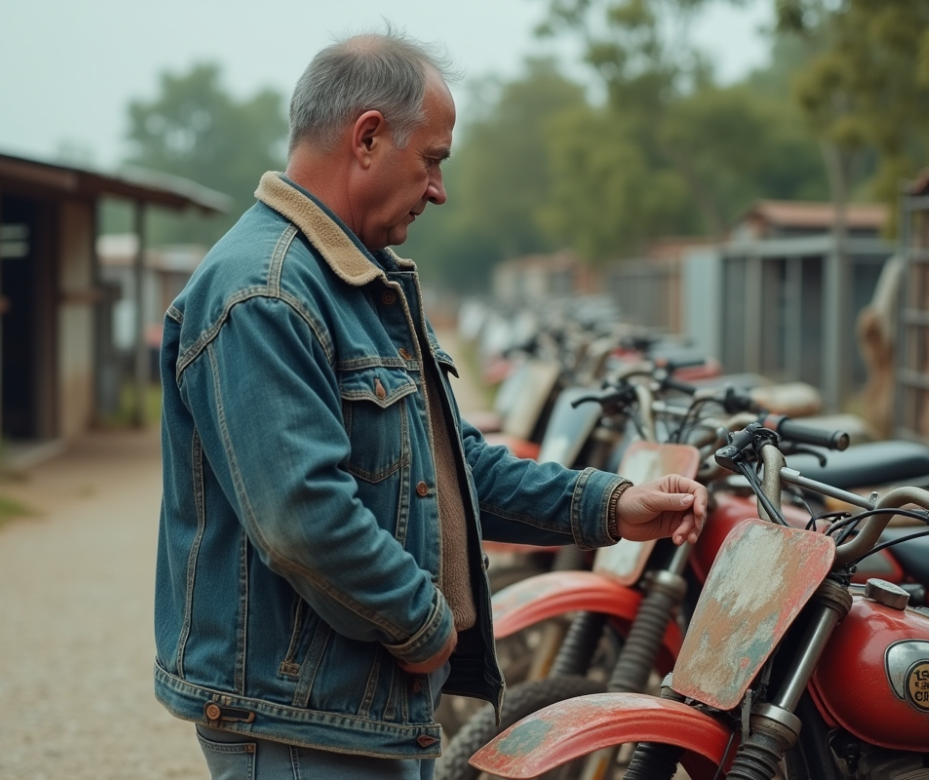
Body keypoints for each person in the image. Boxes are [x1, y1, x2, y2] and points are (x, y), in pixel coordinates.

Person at [153, 29, 709, 780]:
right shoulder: (266, 292)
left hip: (354, 714)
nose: (440, 190)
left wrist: (611, 505)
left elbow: (449, 469)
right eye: (433, 160)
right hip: (303, 727)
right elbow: (301, 516)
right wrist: (422, 624)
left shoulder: (356, 279)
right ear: (368, 138)